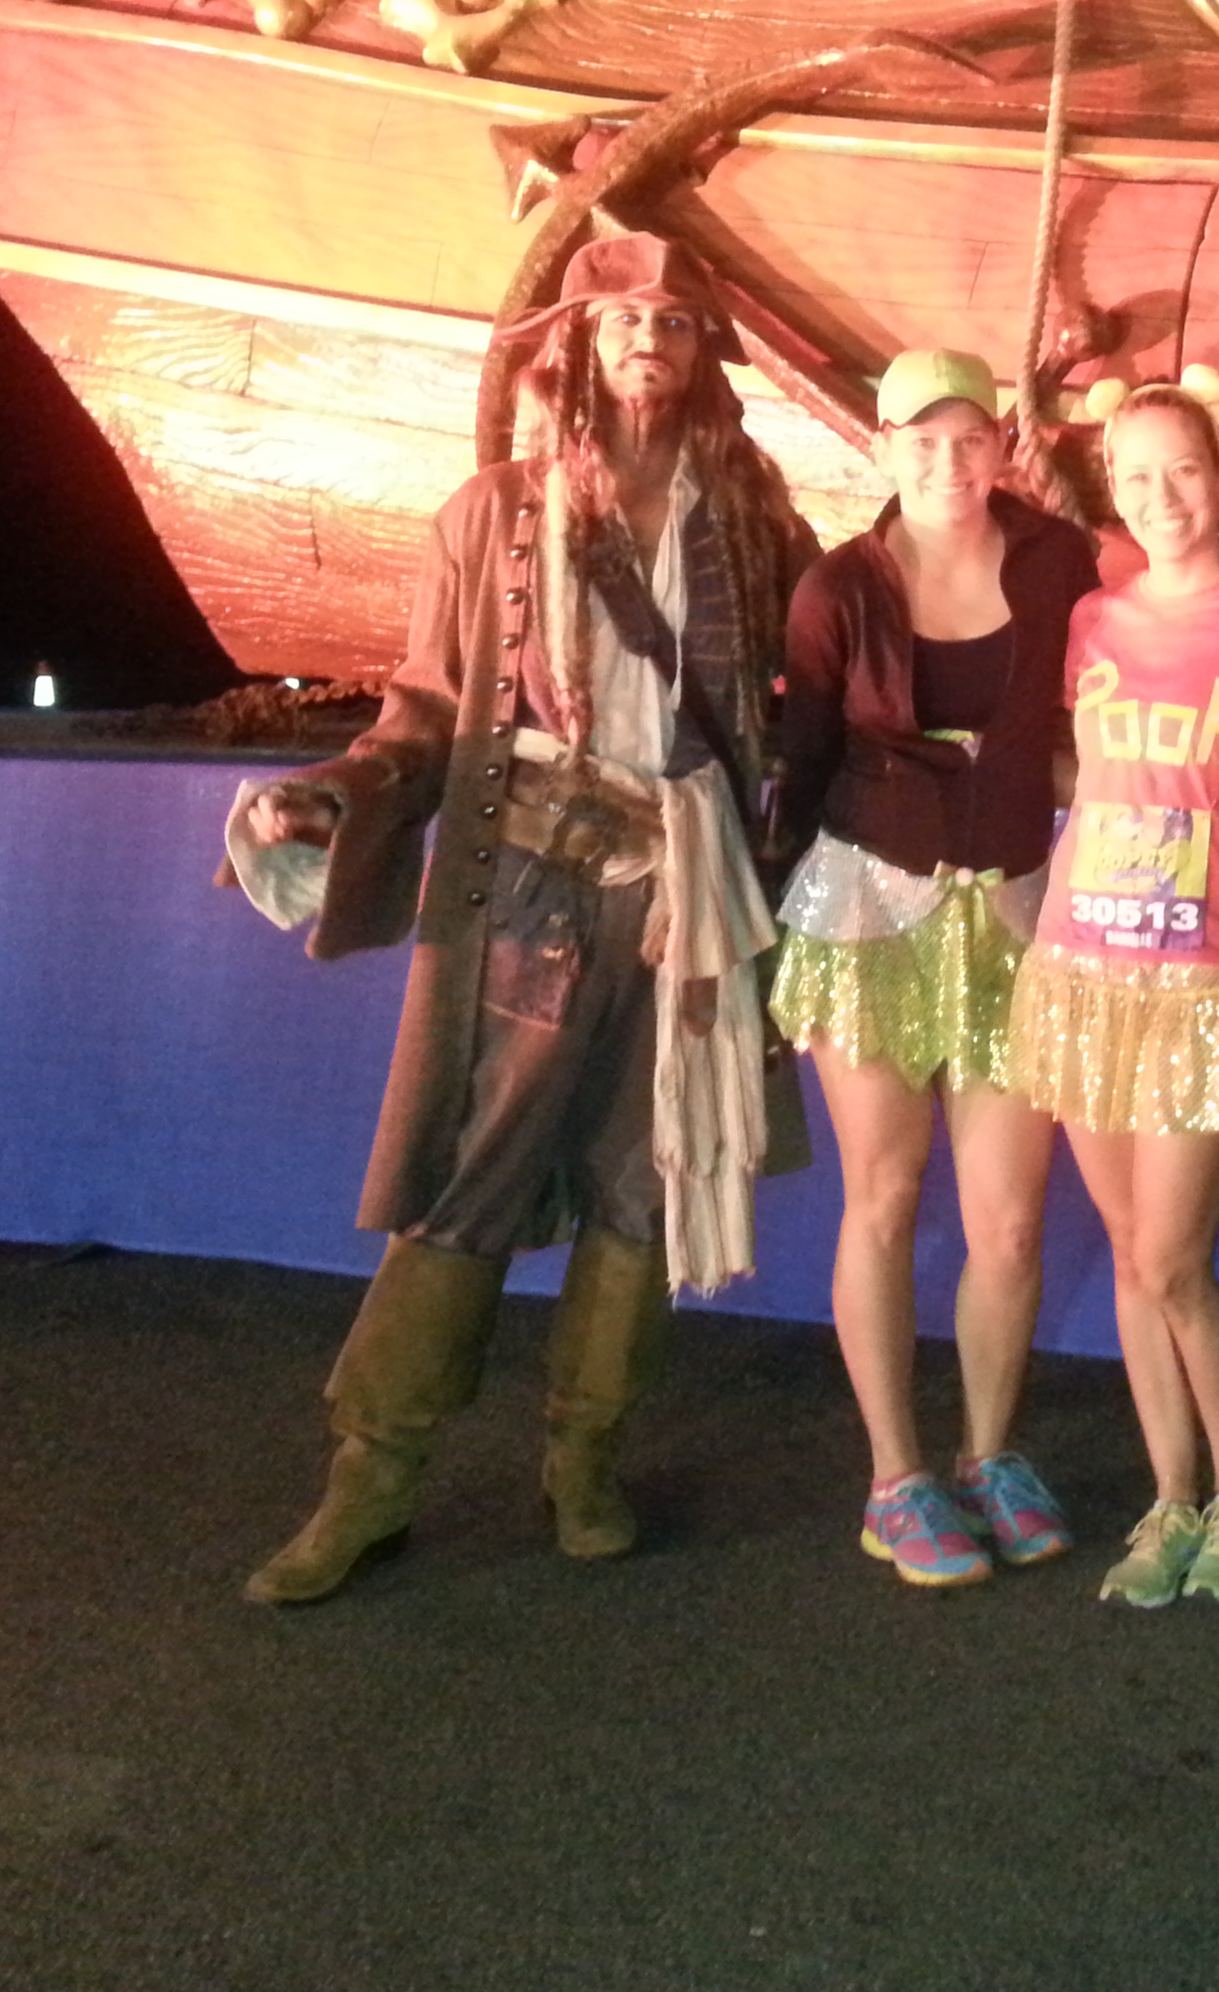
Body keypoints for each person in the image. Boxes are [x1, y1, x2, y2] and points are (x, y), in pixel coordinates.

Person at [225, 232, 810, 1606]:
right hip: (527, 883)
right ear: (581, 346)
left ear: (703, 350)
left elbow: (819, 698)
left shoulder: (756, 521)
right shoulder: (492, 513)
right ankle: (371, 1480)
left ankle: (586, 1461)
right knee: (465, 1176)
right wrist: (334, 790)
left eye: (676, 319)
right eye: (624, 318)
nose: (650, 337)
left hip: (684, 896)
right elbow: (427, 706)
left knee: (646, 1178)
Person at [771, 348, 1105, 1587]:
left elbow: (1110, 694)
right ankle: (895, 1478)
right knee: (884, 1195)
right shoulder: (837, 588)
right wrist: (751, 918)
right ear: (883, 448)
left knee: (1010, 1221)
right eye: (921, 439)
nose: (948, 461)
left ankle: (990, 1454)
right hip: (867, 910)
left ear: (1002, 446)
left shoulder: (1062, 561)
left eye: (969, 438)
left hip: (1017, 909)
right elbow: (805, 762)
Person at [1005, 385, 1219, 1609]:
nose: (1160, 497)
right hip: (1082, 968)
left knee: (1177, 1259)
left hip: (1201, 977)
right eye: (1133, 476)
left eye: (1181, 469)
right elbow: (1071, 768)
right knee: (1131, 1256)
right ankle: (1171, 1496)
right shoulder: (1091, 619)